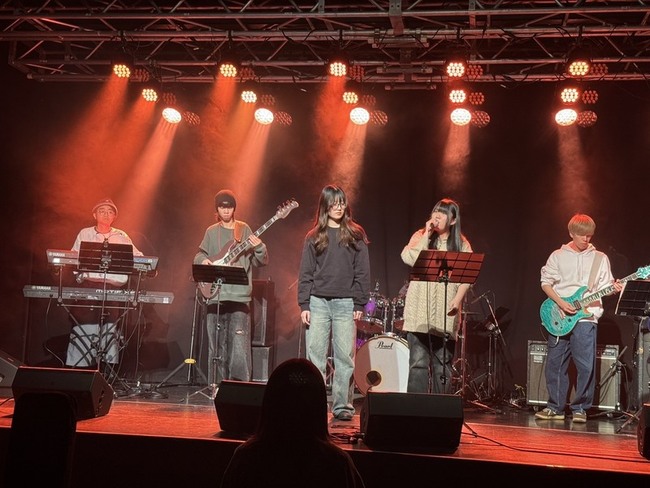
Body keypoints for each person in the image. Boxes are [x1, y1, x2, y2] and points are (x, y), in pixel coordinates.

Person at [220, 358, 366, 488]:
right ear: (319, 406)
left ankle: (342, 405)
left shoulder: (246, 457)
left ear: (269, 402)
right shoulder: (338, 463)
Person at [535, 213, 622, 423]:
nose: (586, 239)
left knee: (585, 365)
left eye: (589, 235)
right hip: (559, 314)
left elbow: (606, 286)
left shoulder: (600, 258)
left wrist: (614, 288)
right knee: (555, 364)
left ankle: (580, 408)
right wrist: (560, 303)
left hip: (586, 317)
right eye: (582, 235)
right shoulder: (557, 255)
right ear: (571, 233)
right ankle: (555, 408)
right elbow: (545, 282)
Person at [298, 185, 370, 421]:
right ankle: (315, 405)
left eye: (341, 203)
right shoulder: (314, 236)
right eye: (333, 203)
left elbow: (362, 272)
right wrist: (304, 304)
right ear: (325, 206)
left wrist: (359, 303)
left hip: (346, 303)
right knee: (315, 358)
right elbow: (306, 272)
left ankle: (343, 407)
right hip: (317, 302)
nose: (338, 207)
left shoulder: (355, 234)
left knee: (345, 358)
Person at [194, 189, 268, 387]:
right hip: (215, 296)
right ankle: (216, 386)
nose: (226, 210)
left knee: (239, 347)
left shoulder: (244, 229)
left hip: (238, 297)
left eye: (229, 207)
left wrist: (259, 247)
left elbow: (261, 261)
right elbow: (199, 255)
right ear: (217, 209)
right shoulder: (211, 231)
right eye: (222, 207)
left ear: (234, 208)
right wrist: (204, 261)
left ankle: (239, 387)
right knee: (216, 345)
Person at [400, 198, 472, 394]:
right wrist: (427, 234)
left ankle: (441, 408)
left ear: (453, 220)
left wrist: (457, 300)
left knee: (443, 367)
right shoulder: (420, 235)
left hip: (445, 314)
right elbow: (409, 258)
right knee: (418, 364)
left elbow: (468, 276)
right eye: (435, 211)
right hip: (419, 314)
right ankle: (416, 408)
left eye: (443, 213)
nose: (437, 216)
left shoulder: (461, 243)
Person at [66, 198, 143, 369]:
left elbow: (138, 257)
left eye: (110, 212)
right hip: (89, 286)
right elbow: (72, 257)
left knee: (110, 329)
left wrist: (146, 263)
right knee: (85, 328)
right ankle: (80, 369)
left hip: (112, 288)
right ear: (94, 215)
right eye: (102, 211)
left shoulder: (121, 236)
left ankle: (107, 371)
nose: (106, 215)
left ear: (114, 216)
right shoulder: (85, 233)